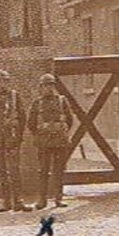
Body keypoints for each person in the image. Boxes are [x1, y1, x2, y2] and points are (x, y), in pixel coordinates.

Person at [0, 70, 28, 212]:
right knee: (1, 171)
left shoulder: (15, 97)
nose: (2, 84)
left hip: (12, 139)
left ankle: (18, 201)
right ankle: (6, 202)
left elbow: (23, 118)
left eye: (4, 81)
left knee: (14, 170)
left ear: (8, 82)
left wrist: (19, 137)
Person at [28, 73, 73, 209]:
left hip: (60, 141)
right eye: (46, 85)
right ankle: (42, 200)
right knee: (43, 171)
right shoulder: (37, 103)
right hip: (44, 142)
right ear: (41, 87)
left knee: (59, 170)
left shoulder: (62, 101)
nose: (49, 88)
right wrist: (42, 132)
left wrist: (59, 130)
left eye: (51, 85)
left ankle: (58, 198)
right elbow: (31, 124)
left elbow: (70, 120)